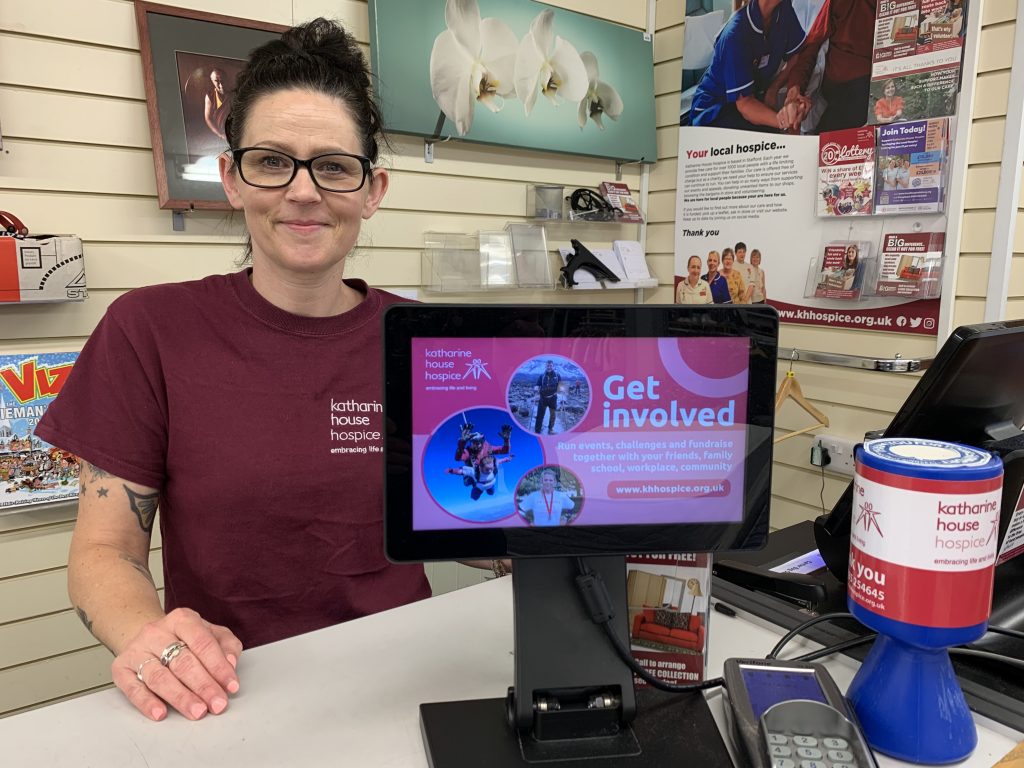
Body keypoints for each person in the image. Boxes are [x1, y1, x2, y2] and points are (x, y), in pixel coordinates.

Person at [33, 19, 458, 724]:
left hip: (408, 679)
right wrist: (150, 637)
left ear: (371, 189)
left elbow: (472, 517)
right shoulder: (149, 331)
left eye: (333, 165)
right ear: (232, 178)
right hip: (230, 698)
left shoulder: (426, 342)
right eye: (271, 161)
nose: (302, 191)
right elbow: (104, 551)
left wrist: (560, 536)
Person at [689, 0, 809, 131]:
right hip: (714, 112)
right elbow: (745, 106)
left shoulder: (783, 9)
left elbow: (796, 56)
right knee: (770, 137)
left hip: (751, 100)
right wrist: (785, 121)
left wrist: (774, 87)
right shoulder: (735, 34)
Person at [779, 0, 878, 133]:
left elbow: (811, 46)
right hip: (840, 89)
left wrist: (795, 88)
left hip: (868, 83)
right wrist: (795, 90)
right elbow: (811, 46)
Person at [446, 454, 513, 501]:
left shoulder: (494, 466)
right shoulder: (474, 471)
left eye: (491, 469)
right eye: (487, 469)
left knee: (491, 493)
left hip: (490, 486)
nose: (490, 471)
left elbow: (500, 461)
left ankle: (489, 491)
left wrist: (507, 458)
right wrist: (451, 470)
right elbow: (461, 472)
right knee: (474, 498)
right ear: (480, 468)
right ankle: (470, 482)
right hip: (479, 488)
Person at [533, 360, 561, 435]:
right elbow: (537, 384)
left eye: (550, 365)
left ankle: (550, 429)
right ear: (546, 366)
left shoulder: (557, 375)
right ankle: (537, 431)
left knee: (553, 415)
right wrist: (536, 388)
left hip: (553, 398)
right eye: (548, 365)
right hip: (543, 398)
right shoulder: (542, 376)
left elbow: (560, 386)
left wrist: (563, 392)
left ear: (553, 366)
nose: (549, 367)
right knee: (540, 415)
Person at [204, 69, 230, 141]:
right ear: (212, 81)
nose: (221, 85)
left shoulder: (233, 94)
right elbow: (208, 118)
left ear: (226, 80)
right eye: (216, 81)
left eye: (222, 81)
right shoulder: (210, 96)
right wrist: (220, 134)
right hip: (216, 134)